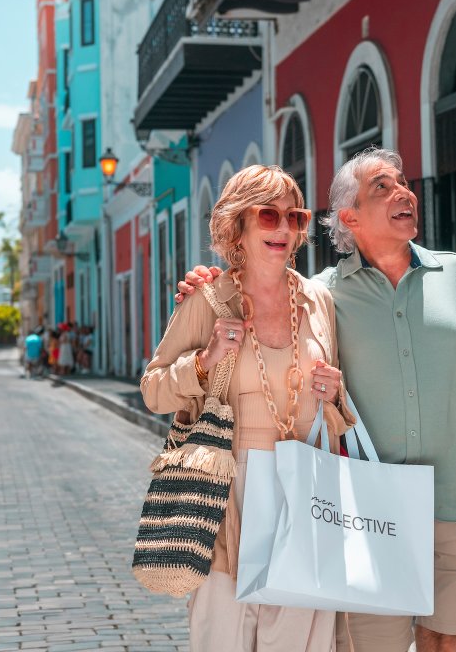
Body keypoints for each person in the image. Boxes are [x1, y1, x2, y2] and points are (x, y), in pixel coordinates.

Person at [178, 148, 456, 652]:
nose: (404, 191)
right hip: (367, 507)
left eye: (404, 183)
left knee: (446, 641)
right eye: (383, 186)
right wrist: (206, 287)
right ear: (349, 218)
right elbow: (262, 298)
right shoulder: (321, 297)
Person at [142, 164, 353, 651]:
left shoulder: (318, 300)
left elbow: (336, 414)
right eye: (268, 214)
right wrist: (205, 360)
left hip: (304, 492)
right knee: (224, 638)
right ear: (238, 223)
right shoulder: (208, 299)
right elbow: (154, 390)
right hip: (226, 495)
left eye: (295, 217)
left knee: (301, 641)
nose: (283, 227)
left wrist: (334, 393)